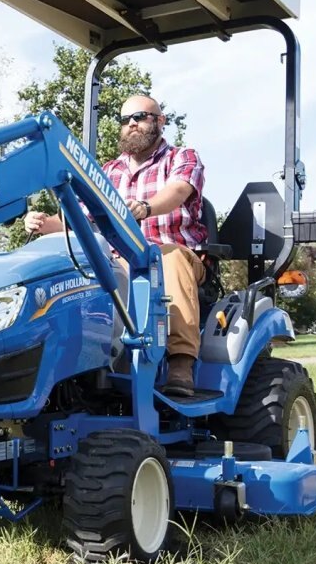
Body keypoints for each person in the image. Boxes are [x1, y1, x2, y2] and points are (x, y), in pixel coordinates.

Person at [24, 95, 207, 397]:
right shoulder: (108, 171)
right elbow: (77, 217)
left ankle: (181, 362)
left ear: (160, 121)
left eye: (140, 116)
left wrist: (145, 208)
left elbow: (177, 192)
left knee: (164, 259)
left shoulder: (182, 157)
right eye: (125, 119)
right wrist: (44, 223)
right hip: (120, 260)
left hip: (174, 252)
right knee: (78, 272)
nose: (132, 123)